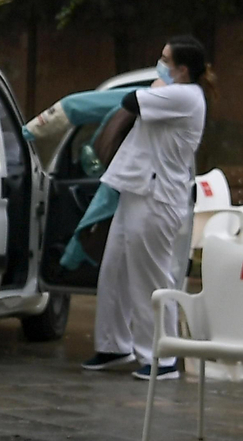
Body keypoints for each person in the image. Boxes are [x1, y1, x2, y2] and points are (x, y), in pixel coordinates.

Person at [83, 36, 212, 380]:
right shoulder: (171, 92)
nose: (160, 62)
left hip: (158, 198)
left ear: (182, 70)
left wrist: (155, 84)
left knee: (151, 278)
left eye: (165, 59)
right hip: (136, 190)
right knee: (115, 270)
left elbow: (130, 100)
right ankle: (113, 345)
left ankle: (163, 355)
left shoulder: (185, 95)